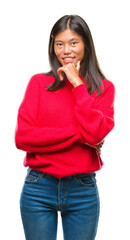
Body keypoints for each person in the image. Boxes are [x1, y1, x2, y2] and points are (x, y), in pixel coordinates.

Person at [15, 15, 115, 240]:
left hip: (83, 190)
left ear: (86, 45)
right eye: (59, 44)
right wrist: (80, 135)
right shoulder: (39, 84)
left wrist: (78, 84)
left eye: (73, 43)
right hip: (38, 187)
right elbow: (23, 137)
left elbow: (96, 134)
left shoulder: (103, 89)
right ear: (53, 47)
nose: (66, 50)